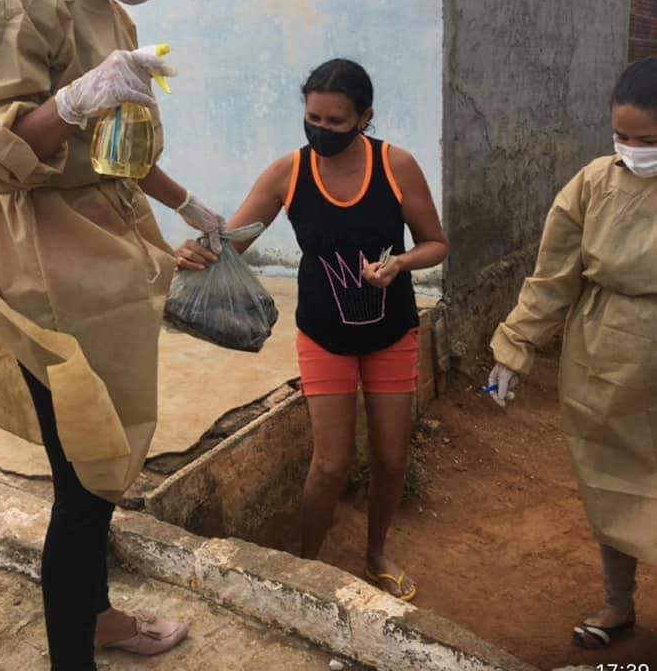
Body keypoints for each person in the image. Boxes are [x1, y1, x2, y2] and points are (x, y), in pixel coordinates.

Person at [0, 0, 224, 670]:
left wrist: (188, 205)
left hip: (107, 264)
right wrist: (72, 101)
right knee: (81, 483)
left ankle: (98, 620)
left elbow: (119, 150)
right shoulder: (15, 2)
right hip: (42, 268)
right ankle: (77, 651)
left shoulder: (112, 15)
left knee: (104, 469)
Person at [177, 58, 448, 601]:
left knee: (391, 458)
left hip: (391, 332)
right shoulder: (289, 173)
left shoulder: (396, 166)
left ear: (364, 117)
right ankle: (306, 565)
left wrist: (399, 264)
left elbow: (435, 243)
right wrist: (199, 252)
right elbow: (233, 242)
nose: (321, 130)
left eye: (335, 121)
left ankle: (376, 554)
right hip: (323, 335)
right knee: (329, 464)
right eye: (313, 119)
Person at [488, 56, 657, 650]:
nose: (632, 150)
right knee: (611, 481)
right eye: (621, 136)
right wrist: (513, 349)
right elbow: (552, 277)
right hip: (605, 354)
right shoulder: (592, 184)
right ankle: (618, 603)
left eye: (647, 140)